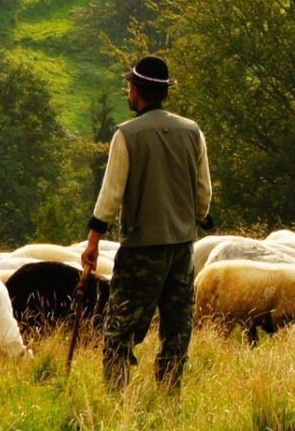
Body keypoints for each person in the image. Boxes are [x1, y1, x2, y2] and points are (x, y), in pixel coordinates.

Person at [82, 56, 212, 391]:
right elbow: (203, 192)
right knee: (177, 328)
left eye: (129, 86)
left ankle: (118, 398)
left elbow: (110, 196)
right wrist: (193, 220)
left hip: (141, 248)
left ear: (137, 91)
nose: (128, 91)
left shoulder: (127, 135)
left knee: (120, 328)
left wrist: (94, 241)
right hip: (182, 247)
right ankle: (169, 395)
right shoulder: (192, 131)